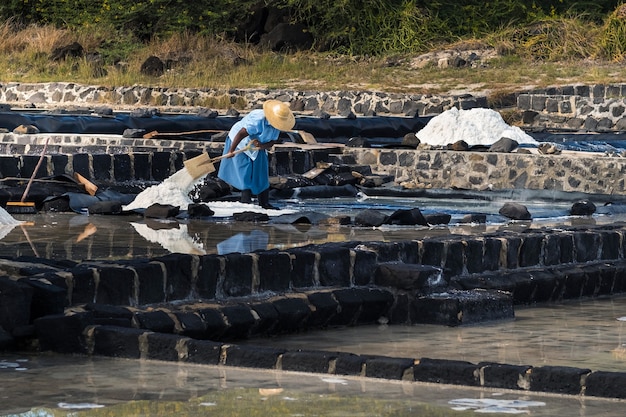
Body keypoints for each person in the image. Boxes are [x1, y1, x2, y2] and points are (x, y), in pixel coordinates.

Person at [218, 100, 295, 209]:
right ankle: (246, 204)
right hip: (240, 142)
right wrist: (231, 151)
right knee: (245, 172)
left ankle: (264, 203)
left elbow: (272, 141)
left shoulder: (278, 125)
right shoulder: (258, 119)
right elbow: (241, 133)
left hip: (257, 145)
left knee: (261, 172)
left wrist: (262, 146)